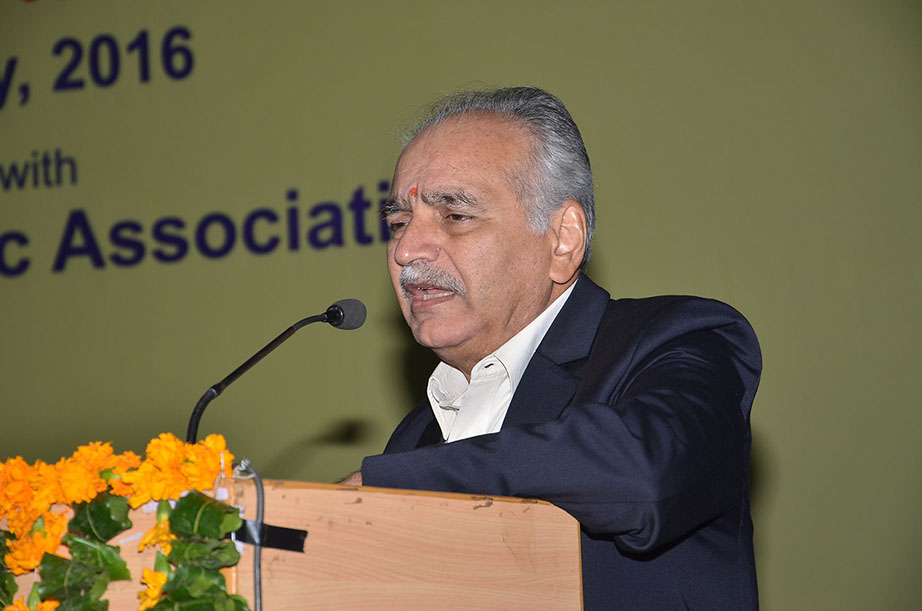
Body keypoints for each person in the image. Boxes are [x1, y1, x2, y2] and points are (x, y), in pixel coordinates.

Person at [341, 86, 761, 609]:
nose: (405, 250)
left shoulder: (674, 340)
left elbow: (643, 474)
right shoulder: (416, 435)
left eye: (455, 216)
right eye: (399, 223)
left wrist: (393, 485)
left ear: (563, 239)